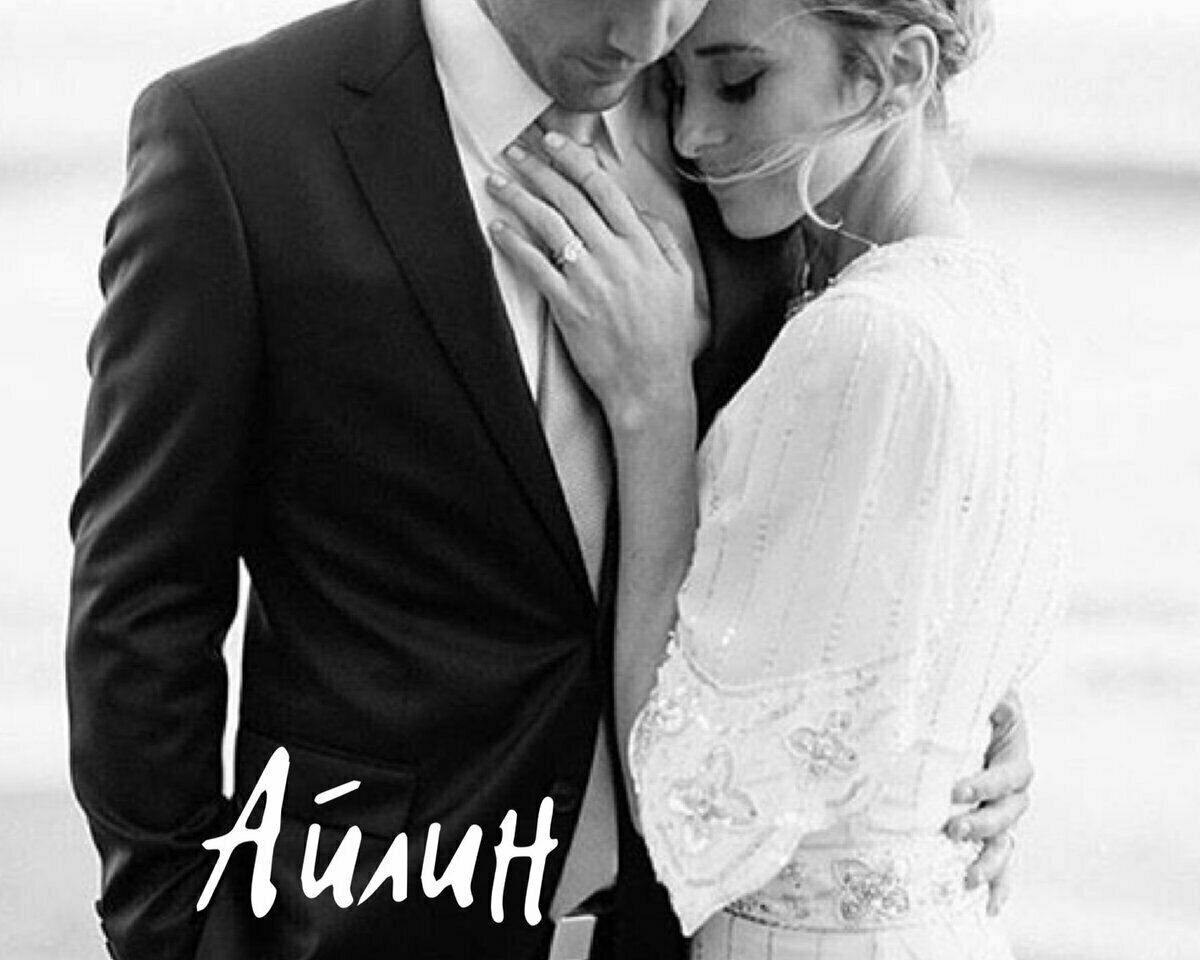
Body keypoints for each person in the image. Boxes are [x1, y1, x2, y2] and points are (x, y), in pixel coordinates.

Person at [66, 0, 1035, 958]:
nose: (646, 38)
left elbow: (852, 502)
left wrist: (956, 723)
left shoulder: (742, 125)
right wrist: (180, 938)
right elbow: (143, 600)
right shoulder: (243, 141)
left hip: (684, 934)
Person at [486, 0, 1066, 956]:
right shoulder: (1002, 316)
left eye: (740, 83)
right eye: (676, 87)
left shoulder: (869, 337)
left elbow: (685, 800)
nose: (690, 134)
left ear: (896, 74)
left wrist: (652, 404)